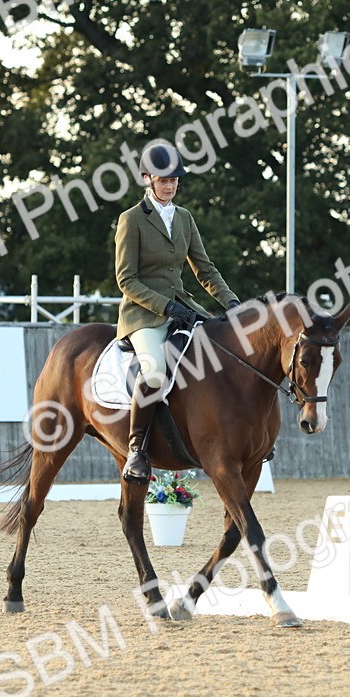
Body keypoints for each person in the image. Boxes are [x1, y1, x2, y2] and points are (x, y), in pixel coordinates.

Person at [114, 142, 240, 484]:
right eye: (163, 180)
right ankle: (137, 449)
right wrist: (165, 305)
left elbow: (205, 269)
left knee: (226, 353)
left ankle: (241, 436)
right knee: (154, 371)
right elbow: (126, 279)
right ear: (147, 179)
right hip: (143, 314)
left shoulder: (184, 218)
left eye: (174, 180)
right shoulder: (132, 220)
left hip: (183, 307)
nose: (169, 186)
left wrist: (231, 302)